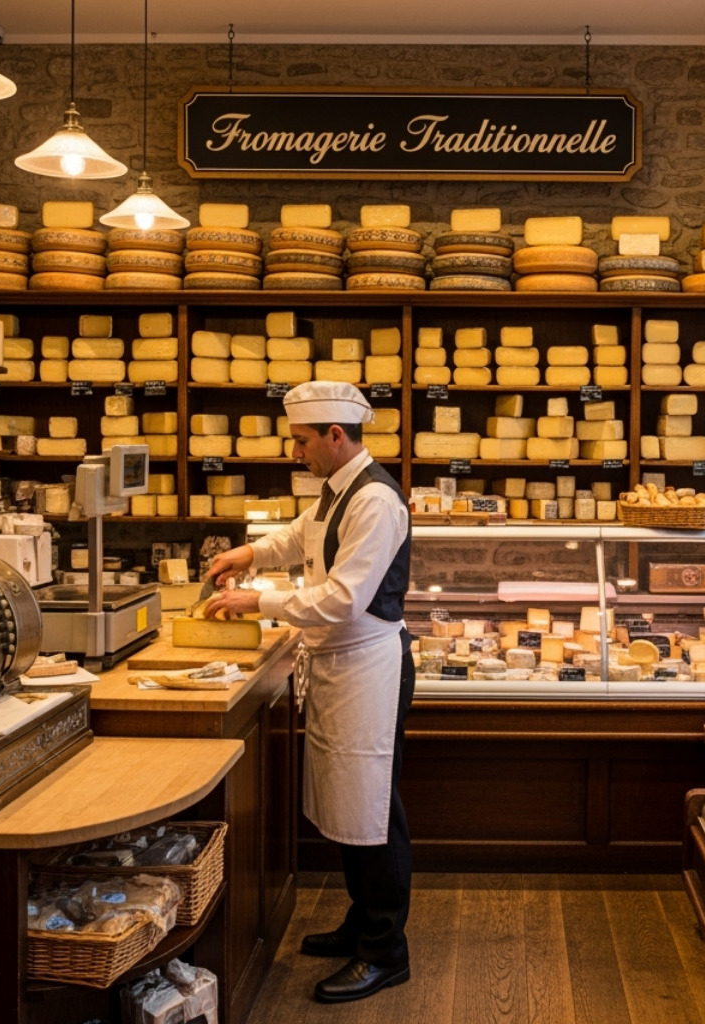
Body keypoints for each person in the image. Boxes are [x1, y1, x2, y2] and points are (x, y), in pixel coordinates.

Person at [204, 380, 414, 1004]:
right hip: (338, 664)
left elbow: (344, 598)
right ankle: (361, 921)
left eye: (301, 440)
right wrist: (248, 554)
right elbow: (298, 539)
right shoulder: (336, 490)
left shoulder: (375, 500)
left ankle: (386, 951)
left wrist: (258, 600)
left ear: (335, 435)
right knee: (348, 805)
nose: (294, 451)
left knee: (373, 811)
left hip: (370, 667)